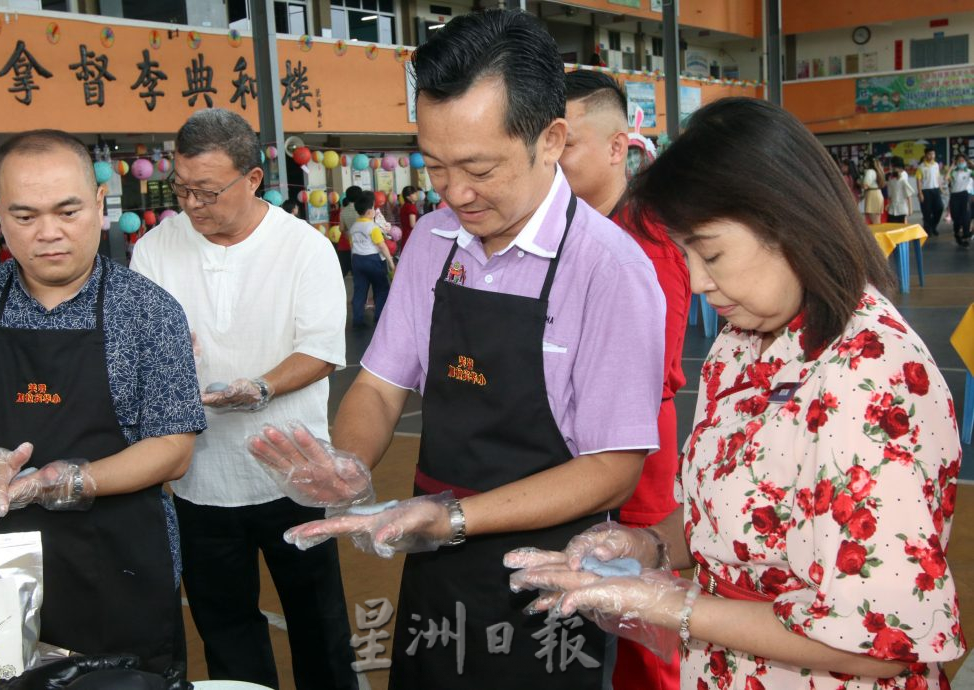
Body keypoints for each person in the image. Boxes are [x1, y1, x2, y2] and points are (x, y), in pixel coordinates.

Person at [247, 9, 665, 689]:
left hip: (554, 577)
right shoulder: (434, 243)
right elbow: (380, 386)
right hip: (435, 568)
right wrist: (350, 462)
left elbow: (613, 467)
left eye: (478, 168)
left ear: (551, 139)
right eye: (435, 167)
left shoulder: (608, 269)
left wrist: (456, 517)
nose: (456, 194)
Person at [506, 97, 965, 690]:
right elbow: (733, 522)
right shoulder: (742, 341)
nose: (697, 280)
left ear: (787, 220)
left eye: (712, 252)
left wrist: (668, 606)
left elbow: (879, 643)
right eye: (687, 254)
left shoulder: (872, 371)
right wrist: (644, 545)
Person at [0, 130, 205, 683]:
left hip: (119, 568)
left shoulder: (148, 310)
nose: (48, 233)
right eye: (24, 216)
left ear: (98, 204)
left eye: (67, 210)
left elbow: (173, 450)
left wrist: (62, 479)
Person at [130, 108, 356, 690]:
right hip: (199, 477)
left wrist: (261, 387)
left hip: (293, 470)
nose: (192, 204)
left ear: (253, 179)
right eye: (180, 188)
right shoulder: (155, 249)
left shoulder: (303, 248)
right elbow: (146, 348)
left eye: (207, 191)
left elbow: (323, 349)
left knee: (319, 622)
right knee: (225, 625)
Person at [558, 68, 688, 690]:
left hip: (634, 446)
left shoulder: (647, 238)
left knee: (643, 615)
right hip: (578, 444)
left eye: (568, 142)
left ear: (617, 147)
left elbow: (646, 368)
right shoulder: (572, 232)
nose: (552, 158)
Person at [349, 193, 395, 329]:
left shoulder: (353, 227)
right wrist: (391, 263)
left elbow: (352, 245)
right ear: (370, 211)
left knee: (359, 291)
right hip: (373, 260)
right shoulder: (372, 227)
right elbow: (382, 246)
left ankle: (357, 320)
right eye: (374, 208)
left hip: (357, 260)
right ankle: (379, 317)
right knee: (381, 288)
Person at [946, 153, 972, 247]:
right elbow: (946, 178)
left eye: (962, 161)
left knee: (966, 217)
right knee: (956, 218)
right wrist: (952, 166)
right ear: (956, 162)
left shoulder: (969, 171)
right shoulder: (954, 172)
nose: (961, 162)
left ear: (965, 162)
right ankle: (957, 234)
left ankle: (965, 236)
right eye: (959, 161)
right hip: (954, 196)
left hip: (965, 194)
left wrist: (970, 163)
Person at [916, 148, 944, 236]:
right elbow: (919, 181)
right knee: (927, 212)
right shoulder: (921, 167)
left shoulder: (936, 165)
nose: (931, 156)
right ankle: (928, 230)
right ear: (926, 155)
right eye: (929, 154)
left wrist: (941, 187)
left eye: (933, 154)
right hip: (925, 191)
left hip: (935, 190)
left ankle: (933, 226)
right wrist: (920, 193)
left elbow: (938, 177)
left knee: (940, 208)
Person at [336, 185, 361, 277]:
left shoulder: (343, 211)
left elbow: (341, 228)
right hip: (362, 244)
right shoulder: (362, 210)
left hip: (349, 243)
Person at [885, 156, 914, 224]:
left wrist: (910, 208)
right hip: (892, 208)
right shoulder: (891, 179)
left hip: (902, 208)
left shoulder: (903, 178)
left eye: (893, 167)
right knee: (892, 226)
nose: (891, 168)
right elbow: (891, 193)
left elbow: (908, 194)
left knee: (902, 227)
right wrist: (888, 204)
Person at [861, 155, 885, 224]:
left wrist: (859, 182)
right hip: (878, 193)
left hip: (872, 195)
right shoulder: (878, 171)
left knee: (874, 221)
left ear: (868, 162)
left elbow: (865, 185)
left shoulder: (870, 171)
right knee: (877, 220)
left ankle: (875, 235)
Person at [398, 185, 419, 249]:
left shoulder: (404, 206)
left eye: (415, 193)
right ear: (408, 197)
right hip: (411, 236)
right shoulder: (411, 207)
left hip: (405, 235)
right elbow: (412, 225)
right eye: (413, 193)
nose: (416, 194)